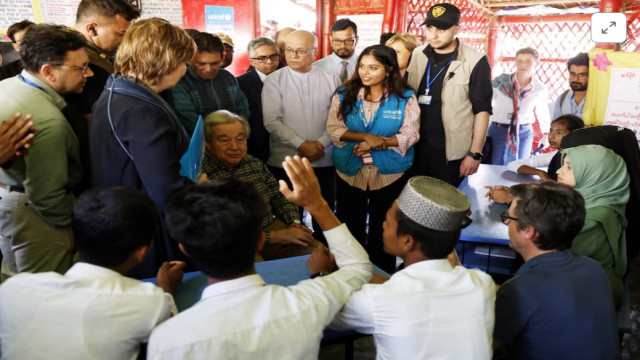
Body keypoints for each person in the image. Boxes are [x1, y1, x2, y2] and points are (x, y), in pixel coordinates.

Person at [147, 156, 372, 359]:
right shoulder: (307, 302)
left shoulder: (168, 340)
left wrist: (166, 292)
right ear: (261, 240)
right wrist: (318, 205)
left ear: (185, 249)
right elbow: (358, 269)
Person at [0, 187, 185, 359]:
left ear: (72, 237)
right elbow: (177, 340)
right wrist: (166, 288)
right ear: (141, 252)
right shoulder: (147, 300)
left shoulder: (13, 289)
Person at [330, 176, 496, 359]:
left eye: (388, 221)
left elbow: (325, 311)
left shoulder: (383, 299)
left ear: (407, 241)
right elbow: (416, 289)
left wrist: (320, 272)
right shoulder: (481, 284)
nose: (383, 225)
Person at [90, 18, 196, 278]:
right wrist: (199, 188)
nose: (186, 69)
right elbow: (165, 189)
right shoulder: (141, 111)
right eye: (185, 62)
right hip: (148, 233)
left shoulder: (116, 90)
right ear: (167, 61)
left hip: (121, 218)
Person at [0, 24, 93, 280]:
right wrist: (70, 227)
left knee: (14, 283)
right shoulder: (47, 121)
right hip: (36, 216)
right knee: (43, 290)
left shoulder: (8, 85)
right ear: (49, 71)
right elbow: (47, 197)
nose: (90, 73)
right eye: (81, 67)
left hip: (11, 202)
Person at [493, 182, 619, 360]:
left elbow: (483, 346)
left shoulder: (520, 290)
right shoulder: (592, 267)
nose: (507, 222)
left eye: (509, 217)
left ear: (529, 231)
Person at [327, 44, 420, 273]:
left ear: (388, 70)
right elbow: (334, 129)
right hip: (351, 171)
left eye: (373, 67)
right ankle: (349, 273)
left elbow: (411, 134)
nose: (365, 72)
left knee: (385, 227)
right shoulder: (343, 94)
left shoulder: (405, 98)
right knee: (350, 225)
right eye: (362, 66)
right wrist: (365, 136)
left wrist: (380, 142)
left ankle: (382, 275)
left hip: (389, 173)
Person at [201, 110, 321, 259]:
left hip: (270, 225)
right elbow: (220, 230)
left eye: (240, 139)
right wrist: (275, 236)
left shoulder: (254, 163)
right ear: (208, 144)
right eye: (224, 140)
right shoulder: (202, 176)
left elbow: (279, 196)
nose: (234, 147)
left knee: (319, 253)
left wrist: (294, 222)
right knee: (255, 272)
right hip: (235, 241)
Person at [262, 30, 341, 243]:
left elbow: (338, 118)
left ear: (315, 53)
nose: (293, 55)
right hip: (286, 160)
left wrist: (320, 144)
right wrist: (301, 144)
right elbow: (272, 120)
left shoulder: (331, 79)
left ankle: (328, 260)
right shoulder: (274, 80)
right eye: (289, 50)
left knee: (325, 217)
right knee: (290, 219)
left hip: (323, 160)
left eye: (300, 51)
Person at [406, 3, 493, 187]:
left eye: (442, 29)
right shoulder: (417, 54)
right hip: (415, 147)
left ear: (457, 29)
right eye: (429, 28)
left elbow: (482, 110)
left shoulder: (475, 61)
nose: (433, 35)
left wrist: (475, 153)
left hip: (450, 153)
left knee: (445, 207)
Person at [557, 145, 629, 309]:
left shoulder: (593, 217)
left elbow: (557, 255)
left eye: (568, 167)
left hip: (593, 294)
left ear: (594, 174)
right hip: (578, 280)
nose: (559, 171)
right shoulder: (596, 198)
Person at [485, 114, 585, 204]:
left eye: (559, 132)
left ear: (574, 134)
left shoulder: (578, 162)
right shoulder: (554, 155)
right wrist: (540, 173)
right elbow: (513, 164)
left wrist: (510, 198)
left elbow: (558, 201)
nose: (551, 136)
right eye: (551, 131)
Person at [165, 32, 250, 136]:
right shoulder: (180, 81)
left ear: (222, 58)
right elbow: (191, 123)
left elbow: (243, 111)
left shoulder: (227, 77)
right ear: (189, 59)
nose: (208, 69)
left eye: (214, 63)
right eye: (201, 64)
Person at [72, 0, 140, 119]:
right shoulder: (91, 67)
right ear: (92, 29)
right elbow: (94, 121)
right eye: (120, 34)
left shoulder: (74, 48)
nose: (124, 41)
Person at [489, 47, 551, 165]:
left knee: (519, 167)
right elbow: (487, 105)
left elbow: (542, 112)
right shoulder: (500, 82)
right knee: (494, 167)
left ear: (536, 64)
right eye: (519, 61)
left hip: (523, 132)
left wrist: (546, 134)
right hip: (498, 129)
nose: (523, 64)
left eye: (528, 61)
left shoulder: (539, 88)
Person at [237, 37, 280, 163]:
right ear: (251, 61)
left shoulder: (287, 78)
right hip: (256, 148)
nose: (269, 62)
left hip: (286, 146)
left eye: (274, 56)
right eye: (262, 58)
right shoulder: (240, 84)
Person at [314, 18, 359, 83]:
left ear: (356, 40)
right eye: (337, 40)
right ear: (330, 40)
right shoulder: (317, 67)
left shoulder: (364, 66)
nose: (342, 46)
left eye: (348, 40)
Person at [553, 52, 589, 118]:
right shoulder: (562, 99)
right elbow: (556, 125)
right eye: (572, 74)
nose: (575, 79)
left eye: (582, 75)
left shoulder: (598, 99)